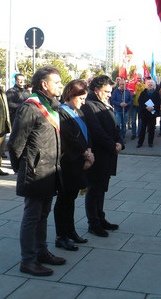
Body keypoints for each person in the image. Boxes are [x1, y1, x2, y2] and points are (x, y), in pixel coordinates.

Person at [9, 66, 66, 277]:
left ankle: (42, 252)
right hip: (35, 171)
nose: (61, 85)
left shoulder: (52, 107)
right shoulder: (30, 107)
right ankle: (28, 260)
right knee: (32, 216)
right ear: (44, 84)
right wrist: (22, 169)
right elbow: (15, 144)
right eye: (57, 82)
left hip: (50, 170)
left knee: (43, 214)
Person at [54, 80, 94, 250]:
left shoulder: (77, 112)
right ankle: (61, 235)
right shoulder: (62, 112)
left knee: (71, 199)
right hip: (69, 162)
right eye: (81, 98)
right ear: (71, 95)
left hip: (80, 160)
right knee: (64, 199)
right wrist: (86, 153)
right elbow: (69, 137)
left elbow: (87, 132)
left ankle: (71, 231)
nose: (83, 102)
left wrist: (89, 150)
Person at [81, 75, 123, 237]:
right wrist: (113, 145)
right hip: (98, 155)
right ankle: (93, 223)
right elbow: (97, 131)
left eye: (110, 91)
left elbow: (115, 127)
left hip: (108, 154)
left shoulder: (103, 103)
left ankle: (101, 218)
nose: (109, 94)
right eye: (106, 91)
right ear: (96, 90)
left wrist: (119, 141)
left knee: (101, 189)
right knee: (94, 189)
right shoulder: (89, 105)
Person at [137, 79, 161, 148]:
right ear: (146, 86)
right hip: (144, 113)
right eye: (148, 85)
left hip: (152, 114)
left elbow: (158, 103)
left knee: (151, 129)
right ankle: (140, 143)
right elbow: (140, 102)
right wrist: (146, 107)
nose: (150, 86)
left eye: (151, 85)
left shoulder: (156, 94)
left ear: (153, 86)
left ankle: (150, 142)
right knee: (142, 129)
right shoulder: (143, 93)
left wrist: (153, 108)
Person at [130, 74, 145, 140]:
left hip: (141, 106)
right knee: (133, 120)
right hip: (134, 105)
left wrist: (141, 86)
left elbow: (145, 92)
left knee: (140, 120)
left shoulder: (143, 85)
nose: (139, 79)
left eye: (140, 78)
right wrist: (132, 94)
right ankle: (133, 133)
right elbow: (129, 92)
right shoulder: (133, 85)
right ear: (135, 79)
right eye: (137, 78)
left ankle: (139, 133)